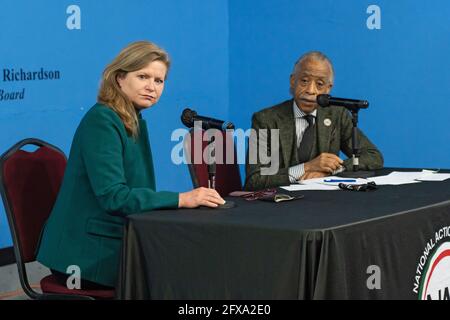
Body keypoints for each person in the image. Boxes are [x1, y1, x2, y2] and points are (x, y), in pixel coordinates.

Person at [37, 41, 225, 289]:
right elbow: (114, 197)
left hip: (113, 240)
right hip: (85, 255)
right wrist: (182, 199)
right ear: (119, 79)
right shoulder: (102, 120)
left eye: (159, 81)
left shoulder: (132, 118)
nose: (152, 87)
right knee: (183, 275)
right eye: (143, 76)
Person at [244, 51, 383, 191]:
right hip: (280, 204)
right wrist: (306, 168)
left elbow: (373, 156)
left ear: (328, 89)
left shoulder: (337, 115)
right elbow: (255, 179)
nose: (311, 90)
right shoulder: (266, 120)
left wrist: (331, 169)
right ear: (293, 81)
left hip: (325, 203)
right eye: (304, 81)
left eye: (320, 84)